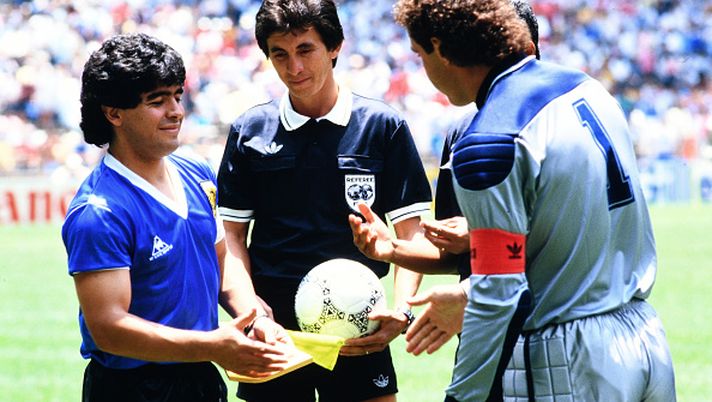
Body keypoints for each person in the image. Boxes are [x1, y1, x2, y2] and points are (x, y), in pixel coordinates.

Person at [355, 0, 677, 400]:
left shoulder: (489, 139)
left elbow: (499, 291)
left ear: (439, 47)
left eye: (420, 56)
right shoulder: (589, 89)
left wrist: (462, 395)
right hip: (644, 336)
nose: (424, 69)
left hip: (570, 355)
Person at [216, 1, 432, 401]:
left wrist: (400, 311)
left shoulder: (381, 126)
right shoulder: (250, 130)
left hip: (357, 325)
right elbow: (230, 237)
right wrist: (251, 310)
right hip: (273, 331)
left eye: (305, 50)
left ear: (334, 47)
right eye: (280, 54)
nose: (293, 68)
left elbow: (411, 232)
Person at [61, 32, 296, 402]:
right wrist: (210, 345)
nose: (176, 111)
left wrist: (255, 317)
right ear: (114, 112)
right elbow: (109, 328)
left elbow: (222, 260)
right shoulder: (99, 211)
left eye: (177, 95)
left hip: (201, 375)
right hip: (132, 389)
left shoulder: (196, 171)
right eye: (157, 100)